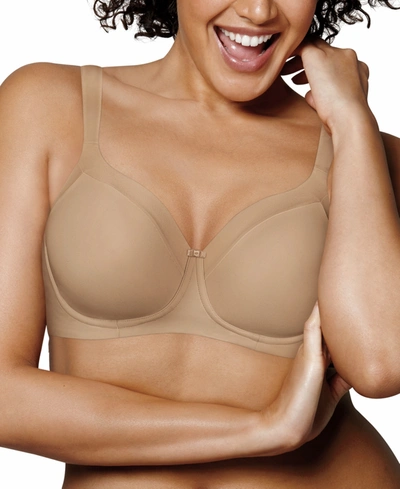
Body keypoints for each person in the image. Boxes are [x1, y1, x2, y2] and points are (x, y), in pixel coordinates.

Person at [0, 0, 399, 487]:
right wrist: (265, 428)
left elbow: (379, 366)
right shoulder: (47, 107)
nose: (258, 11)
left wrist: (354, 121)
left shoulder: (368, 156)